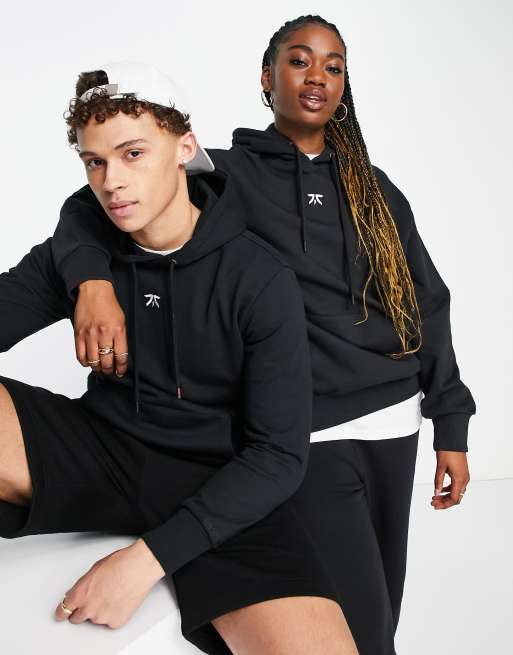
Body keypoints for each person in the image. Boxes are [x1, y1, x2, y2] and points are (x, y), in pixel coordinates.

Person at [50, 15, 476, 655]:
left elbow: (427, 304)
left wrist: (451, 424)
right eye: (299, 61)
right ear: (266, 78)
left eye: (333, 66)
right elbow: (91, 206)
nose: (317, 77)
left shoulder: (374, 188)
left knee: (382, 618)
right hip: (308, 435)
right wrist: (92, 283)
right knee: (355, 630)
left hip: (396, 425)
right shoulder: (229, 175)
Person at [0, 62, 361, 655]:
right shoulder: (80, 255)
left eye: (133, 154)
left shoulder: (258, 278)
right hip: (102, 449)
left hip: (220, 481)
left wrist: (143, 562)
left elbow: (278, 456)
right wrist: (89, 281)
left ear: (184, 148)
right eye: (95, 162)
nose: (112, 181)